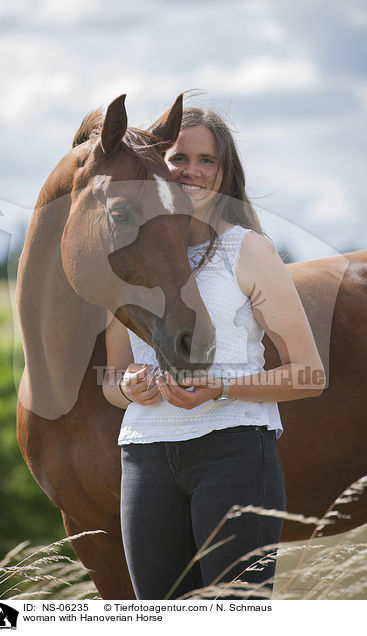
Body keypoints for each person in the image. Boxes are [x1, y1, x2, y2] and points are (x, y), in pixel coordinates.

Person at [102, 107, 325, 600]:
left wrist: (221, 387)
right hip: (145, 458)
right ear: (157, 163)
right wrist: (127, 387)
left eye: (208, 160)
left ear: (225, 173)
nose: (193, 171)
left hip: (235, 453)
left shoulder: (248, 252)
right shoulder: (123, 254)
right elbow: (111, 379)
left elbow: (310, 374)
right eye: (179, 157)